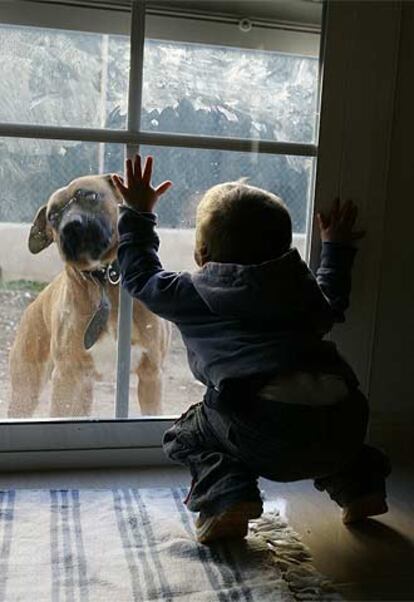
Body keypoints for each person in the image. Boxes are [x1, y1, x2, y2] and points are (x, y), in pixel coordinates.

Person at [114, 154, 390, 545]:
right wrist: (336, 249)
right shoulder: (301, 289)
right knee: (326, 434)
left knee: (188, 433)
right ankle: (362, 486)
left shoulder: (193, 292)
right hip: (345, 421)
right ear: (282, 250)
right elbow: (333, 301)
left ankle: (228, 499)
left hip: (265, 429)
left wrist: (137, 214)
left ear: (203, 255)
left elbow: (140, 276)